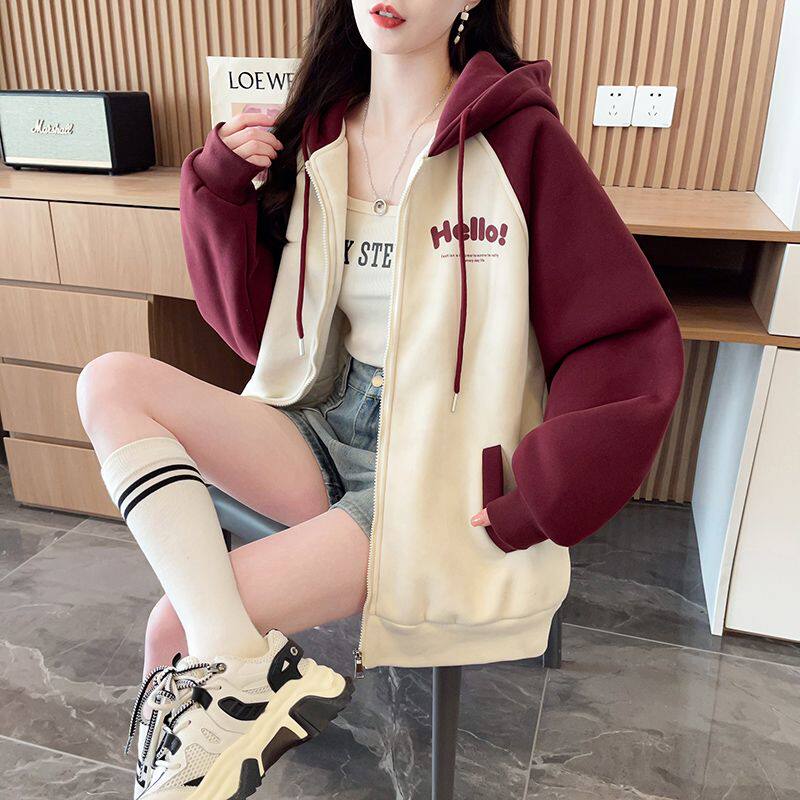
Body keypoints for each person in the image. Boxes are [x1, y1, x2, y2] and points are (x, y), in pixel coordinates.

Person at [76, 0, 685, 797]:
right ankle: (242, 677)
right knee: (110, 380)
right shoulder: (321, 137)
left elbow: (622, 334)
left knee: (174, 625)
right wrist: (220, 189)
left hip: (436, 467)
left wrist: (543, 492)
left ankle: (223, 698)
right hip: (327, 418)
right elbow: (259, 330)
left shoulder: (520, 142)